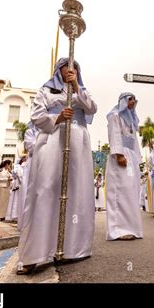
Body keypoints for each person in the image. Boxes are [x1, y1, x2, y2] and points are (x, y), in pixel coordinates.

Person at [17, 58, 97, 274]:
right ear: (58, 69)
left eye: (75, 67)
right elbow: (36, 116)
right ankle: (35, 253)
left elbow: (91, 108)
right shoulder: (46, 90)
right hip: (52, 139)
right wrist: (58, 117)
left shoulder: (82, 90)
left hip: (78, 142)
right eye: (66, 66)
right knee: (46, 189)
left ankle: (72, 247)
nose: (70, 70)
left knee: (76, 192)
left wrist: (77, 87)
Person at [105, 93, 143, 241]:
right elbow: (114, 135)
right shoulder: (114, 115)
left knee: (131, 191)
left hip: (131, 158)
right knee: (120, 190)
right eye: (130, 99)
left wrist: (136, 159)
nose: (132, 102)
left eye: (134, 99)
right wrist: (119, 154)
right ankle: (118, 229)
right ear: (123, 101)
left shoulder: (132, 119)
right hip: (120, 156)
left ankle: (131, 227)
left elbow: (134, 142)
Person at [17, 122, 39, 230]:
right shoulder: (30, 132)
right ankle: (27, 224)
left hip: (46, 163)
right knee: (29, 191)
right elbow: (31, 147)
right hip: (33, 164)